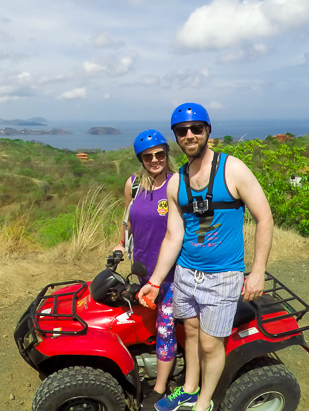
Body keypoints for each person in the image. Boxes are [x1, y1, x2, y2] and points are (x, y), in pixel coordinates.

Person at [138, 104, 273, 411]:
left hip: (222, 274)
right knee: (192, 333)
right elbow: (174, 235)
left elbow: (264, 218)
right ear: (176, 136)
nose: (189, 135)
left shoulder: (232, 169)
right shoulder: (177, 181)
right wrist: (156, 281)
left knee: (211, 344)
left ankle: (203, 403)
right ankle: (188, 389)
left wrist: (258, 271)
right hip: (187, 273)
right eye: (182, 131)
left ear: (207, 131)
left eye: (196, 129)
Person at [113, 129, 178, 411]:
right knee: (146, 318)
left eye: (160, 154)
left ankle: (160, 388)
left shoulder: (177, 183)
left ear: (167, 154)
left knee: (165, 328)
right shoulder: (134, 184)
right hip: (142, 268)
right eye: (148, 156)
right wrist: (120, 243)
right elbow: (127, 218)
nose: (155, 160)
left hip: (172, 272)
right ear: (141, 158)